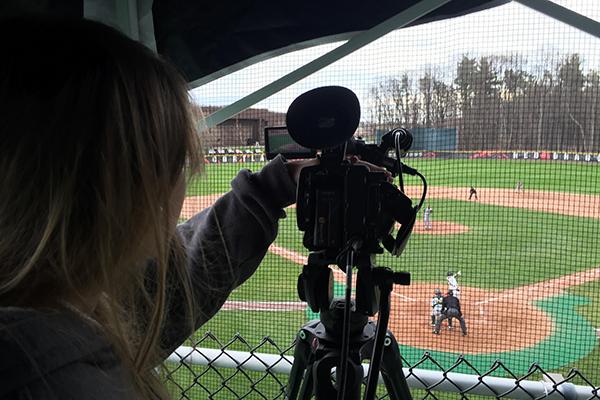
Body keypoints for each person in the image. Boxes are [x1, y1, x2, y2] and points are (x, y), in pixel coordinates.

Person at [0, 16, 318, 399]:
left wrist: (270, 189)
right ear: (135, 193)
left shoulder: (55, 315)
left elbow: (160, 293)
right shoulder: (64, 380)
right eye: (178, 162)